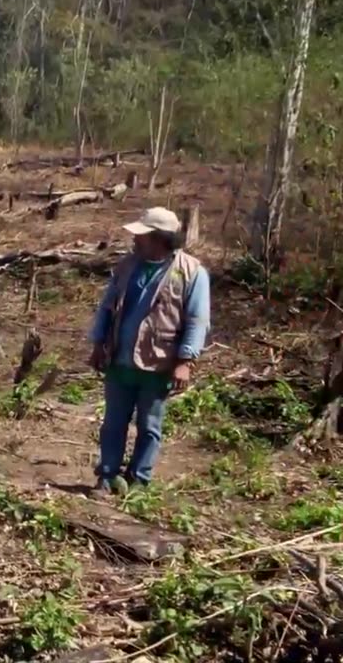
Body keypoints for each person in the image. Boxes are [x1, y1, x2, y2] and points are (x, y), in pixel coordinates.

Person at [87, 206, 211, 495]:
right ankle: (107, 476)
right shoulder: (127, 266)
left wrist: (185, 361)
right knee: (113, 423)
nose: (135, 241)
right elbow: (107, 307)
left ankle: (139, 479)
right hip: (120, 359)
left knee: (149, 425)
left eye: (142, 237)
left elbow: (197, 320)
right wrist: (98, 343)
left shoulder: (192, 273)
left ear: (160, 239)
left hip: (158, 364)